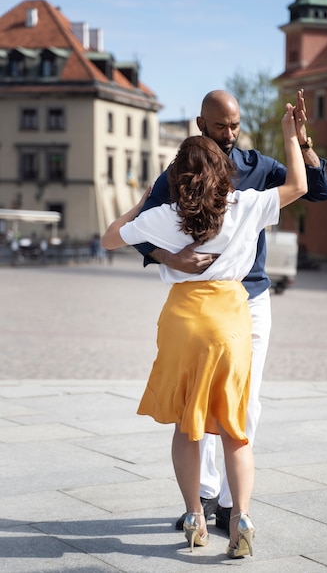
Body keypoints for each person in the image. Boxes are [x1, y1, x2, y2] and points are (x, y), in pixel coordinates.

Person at [101, 105, 308, 558]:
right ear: (222, 170)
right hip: (231, 317)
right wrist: (292, 135)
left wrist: (142, 204)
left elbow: (110, 238)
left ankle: (195, 515)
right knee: (235, 426)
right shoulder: (244, 206)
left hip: (183, 319)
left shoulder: (166, 217)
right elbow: (300, 186)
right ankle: (241, 519)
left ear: (180, 177)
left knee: (188, 423)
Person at [133, 89, 327, 533]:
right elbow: (140, 230)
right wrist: (171, 258)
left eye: (235, 125)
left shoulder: (256, 166)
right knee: (198, 405)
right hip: (200, 303)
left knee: (246, 404)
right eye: (220, 126)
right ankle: (200, 499)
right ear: (201, 124)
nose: (229, 134)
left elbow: (317, 190)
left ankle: (230, 506)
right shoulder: (180, 172)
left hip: (252, 300)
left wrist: (303, 142)